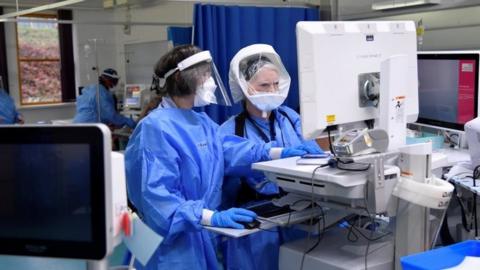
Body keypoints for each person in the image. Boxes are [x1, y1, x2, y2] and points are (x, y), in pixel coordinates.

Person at [124, 45, 317, 270]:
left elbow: (230, 149)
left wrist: (275, 152)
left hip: (198, 233)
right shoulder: (154, 128)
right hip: (170, 244)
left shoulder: (200, 122)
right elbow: (158, 200)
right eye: (205, 75)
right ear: (182, 78)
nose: (211, 82)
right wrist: (211, 217)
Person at [218, 44, 325, 270]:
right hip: (256, 223)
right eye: (264, 85)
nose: (273, 90)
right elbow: (230, 160)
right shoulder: (230, 130)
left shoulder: (290, 118)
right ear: (245, 88)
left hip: (298, 215)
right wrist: (276, 154)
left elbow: (313, 152)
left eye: (276, 84)